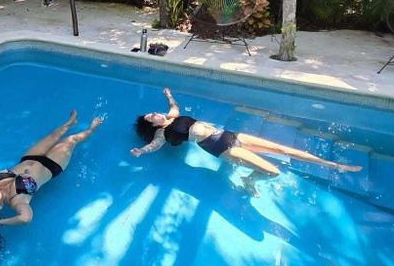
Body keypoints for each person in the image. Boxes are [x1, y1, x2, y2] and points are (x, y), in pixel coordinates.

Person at [0, 110, 102, 246]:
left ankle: (70, 122)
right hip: (52, 165)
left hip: (29, 157)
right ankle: (91, 129)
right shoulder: (17, 201)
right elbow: (25, 219)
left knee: (54, 135)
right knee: (71, 140)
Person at [131, 87, 362, 177]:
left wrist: (168, 95)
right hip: (220, 147)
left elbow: (173, 105)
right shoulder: (162, 134)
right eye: (151, 117)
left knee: (282, 149)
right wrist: (141, 151)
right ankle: (251, 180)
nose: (154, 114)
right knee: (273, 172)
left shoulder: (172, 116)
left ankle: (332, 165)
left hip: (230, 135)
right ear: (153, 125)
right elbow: (154, 146)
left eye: (152, 112)